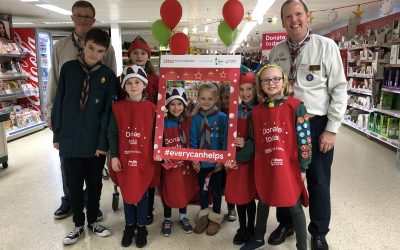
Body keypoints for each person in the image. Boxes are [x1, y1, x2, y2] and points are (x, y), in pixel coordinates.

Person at [268, 1, 347, 249]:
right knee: (284, 176)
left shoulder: (326, 46)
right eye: (288, 16)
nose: (294, 20)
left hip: (315, 124)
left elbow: (339, 89)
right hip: (284, 126)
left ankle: (319, 231)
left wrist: (331, 129)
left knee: (318, 181)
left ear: (308, 16)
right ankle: (287, 223)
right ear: (282, 22)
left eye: (299, 14)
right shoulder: (277, 52)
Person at [46, 0, 117, 221]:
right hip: (68, 119)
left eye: (88, 17)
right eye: (79, 15)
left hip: (93, 120)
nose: (83, 19)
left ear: (93, 20)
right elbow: (55, 82)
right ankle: (69, 201)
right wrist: (50, 112)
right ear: (72, 17)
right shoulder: (61, 48)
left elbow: (109, 79)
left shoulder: (108, 49)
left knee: (92, 170)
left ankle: (91, 206)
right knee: (69, 166)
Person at [228, 64, 311, 250]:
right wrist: (237, 158)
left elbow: (305, 141)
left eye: (275, 79)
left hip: (289, 167)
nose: (271, 83)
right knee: (263, 201)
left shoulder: (296, 107)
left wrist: (303, 167)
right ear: (260, 84)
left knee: (294, 204)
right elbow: (253, 143)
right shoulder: (256, 112)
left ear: (283, 82)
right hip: (264, 165)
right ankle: (258, 237)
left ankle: (302, 245)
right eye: (266, 80)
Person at [108, 65, 156, 248]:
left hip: (144, 159)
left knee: (142, 193)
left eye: (137, 82)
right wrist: (114, 156)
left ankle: (142, 226)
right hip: (124, 159)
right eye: (129, 82)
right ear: (124, 86)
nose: (133, 85)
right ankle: (129, 225)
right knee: (127, 193)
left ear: (144, 85)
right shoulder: (117, 108)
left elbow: (157, 135)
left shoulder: (152, 109)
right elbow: (112, 133)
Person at [154, 84, 199, 237]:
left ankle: (183, 216)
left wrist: (194, 158)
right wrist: (161, 152)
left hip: (185, 164)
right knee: (169, 190)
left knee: (183, 190)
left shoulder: (188, 121)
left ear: (184, 104)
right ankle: (167, 218)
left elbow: (193, 141)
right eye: (172, 104)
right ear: (167, 105)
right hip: (169, 165)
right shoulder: (162, 121)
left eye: (179, 103)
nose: (176, 107)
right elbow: (157, 141)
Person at [127, 36, 160, 224]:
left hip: (151, 133)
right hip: (130, 133)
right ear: (129, 56)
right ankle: (134, 203)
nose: (139, 56)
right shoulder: (124, 79)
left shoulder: (156, 80)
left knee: (150, 170)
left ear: (148, 56)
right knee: (134, 169)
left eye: (143, 53)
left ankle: (147, 208)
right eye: (135, 53)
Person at [225, 67, 257, 246]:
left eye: (249, 89)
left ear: (255, 89)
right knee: (238, 194)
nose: (245, 93)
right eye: (241, 89)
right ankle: (242, 227)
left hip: (250, 160)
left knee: (250, 195)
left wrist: (245, 144)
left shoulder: (259, 110)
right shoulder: (233, 110)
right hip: (235, 160)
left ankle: (251, 228)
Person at [190, 83, 228, 236]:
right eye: (203, 98)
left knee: (217, 191)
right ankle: (204, 215)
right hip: (201, 163)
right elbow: (193, 139)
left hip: (216, 163)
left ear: (216, 99)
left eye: (210, 98)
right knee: (203, 190)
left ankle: (215, 217)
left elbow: (225, 140)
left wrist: (222, 160)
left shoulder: (222, 117)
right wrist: (195, 160)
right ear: (198, 98)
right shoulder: (195, 118)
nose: (206, 101)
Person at [219, 83, 237, 222]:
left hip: (232, 153)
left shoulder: (237, 112)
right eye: (222, 98)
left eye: (227, 98)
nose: (225, 101)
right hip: (217, 151)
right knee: (220, 181)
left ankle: (232, 208)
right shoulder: (215, 112)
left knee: (231, 181)